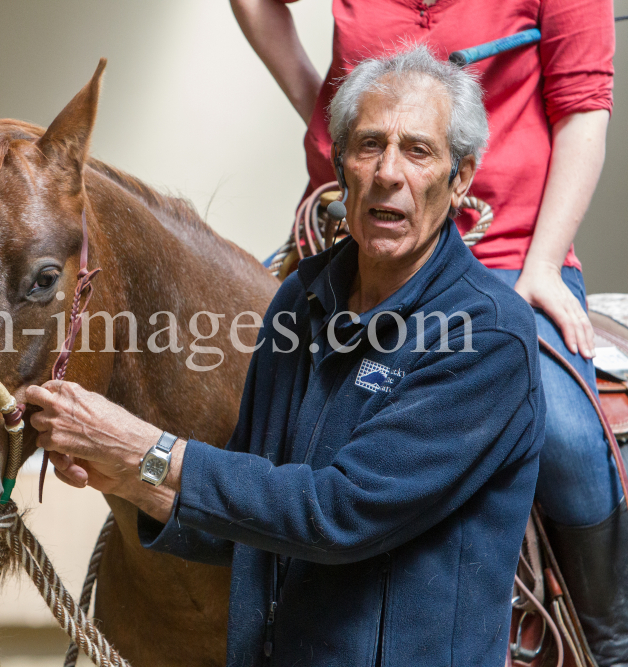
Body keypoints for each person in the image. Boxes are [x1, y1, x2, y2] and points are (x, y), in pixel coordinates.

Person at [27, 46, 544, 666]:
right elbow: (259, 518)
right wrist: (130, 480)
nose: (388, 172)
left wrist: (148, 453)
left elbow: (338, 513)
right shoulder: (299, 301)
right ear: (340, 165)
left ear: (460, 178)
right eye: (369, 145)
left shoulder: (486, 335)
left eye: (418, 151)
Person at [232, 0, 624, 662]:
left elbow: (583, 107)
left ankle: (614, 640)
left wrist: (543, 263)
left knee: (567, 435)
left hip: (512, 254)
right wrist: (328, 125)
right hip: (358, 241)